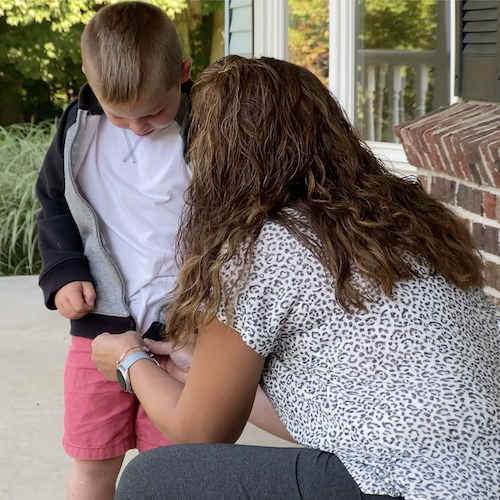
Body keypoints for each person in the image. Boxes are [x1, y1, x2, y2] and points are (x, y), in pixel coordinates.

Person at [91, 55, 500, 500]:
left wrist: (130, 362)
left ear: (214, 154)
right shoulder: (411, 221)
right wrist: (195, 373)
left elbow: (200, 431)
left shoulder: (257, 247)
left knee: (154, 480)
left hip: (416, 486)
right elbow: (338, 417)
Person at [35, 2, 192, 499]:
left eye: (154, 112)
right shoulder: (78, 127)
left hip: (182, 333)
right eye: (119, 114)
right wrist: (62, 271)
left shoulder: (209, 132)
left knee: (172, 469)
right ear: (88, 78)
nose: (138, 127)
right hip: (99, 329)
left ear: (184, 75)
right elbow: (54, 202)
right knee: (91, 463)